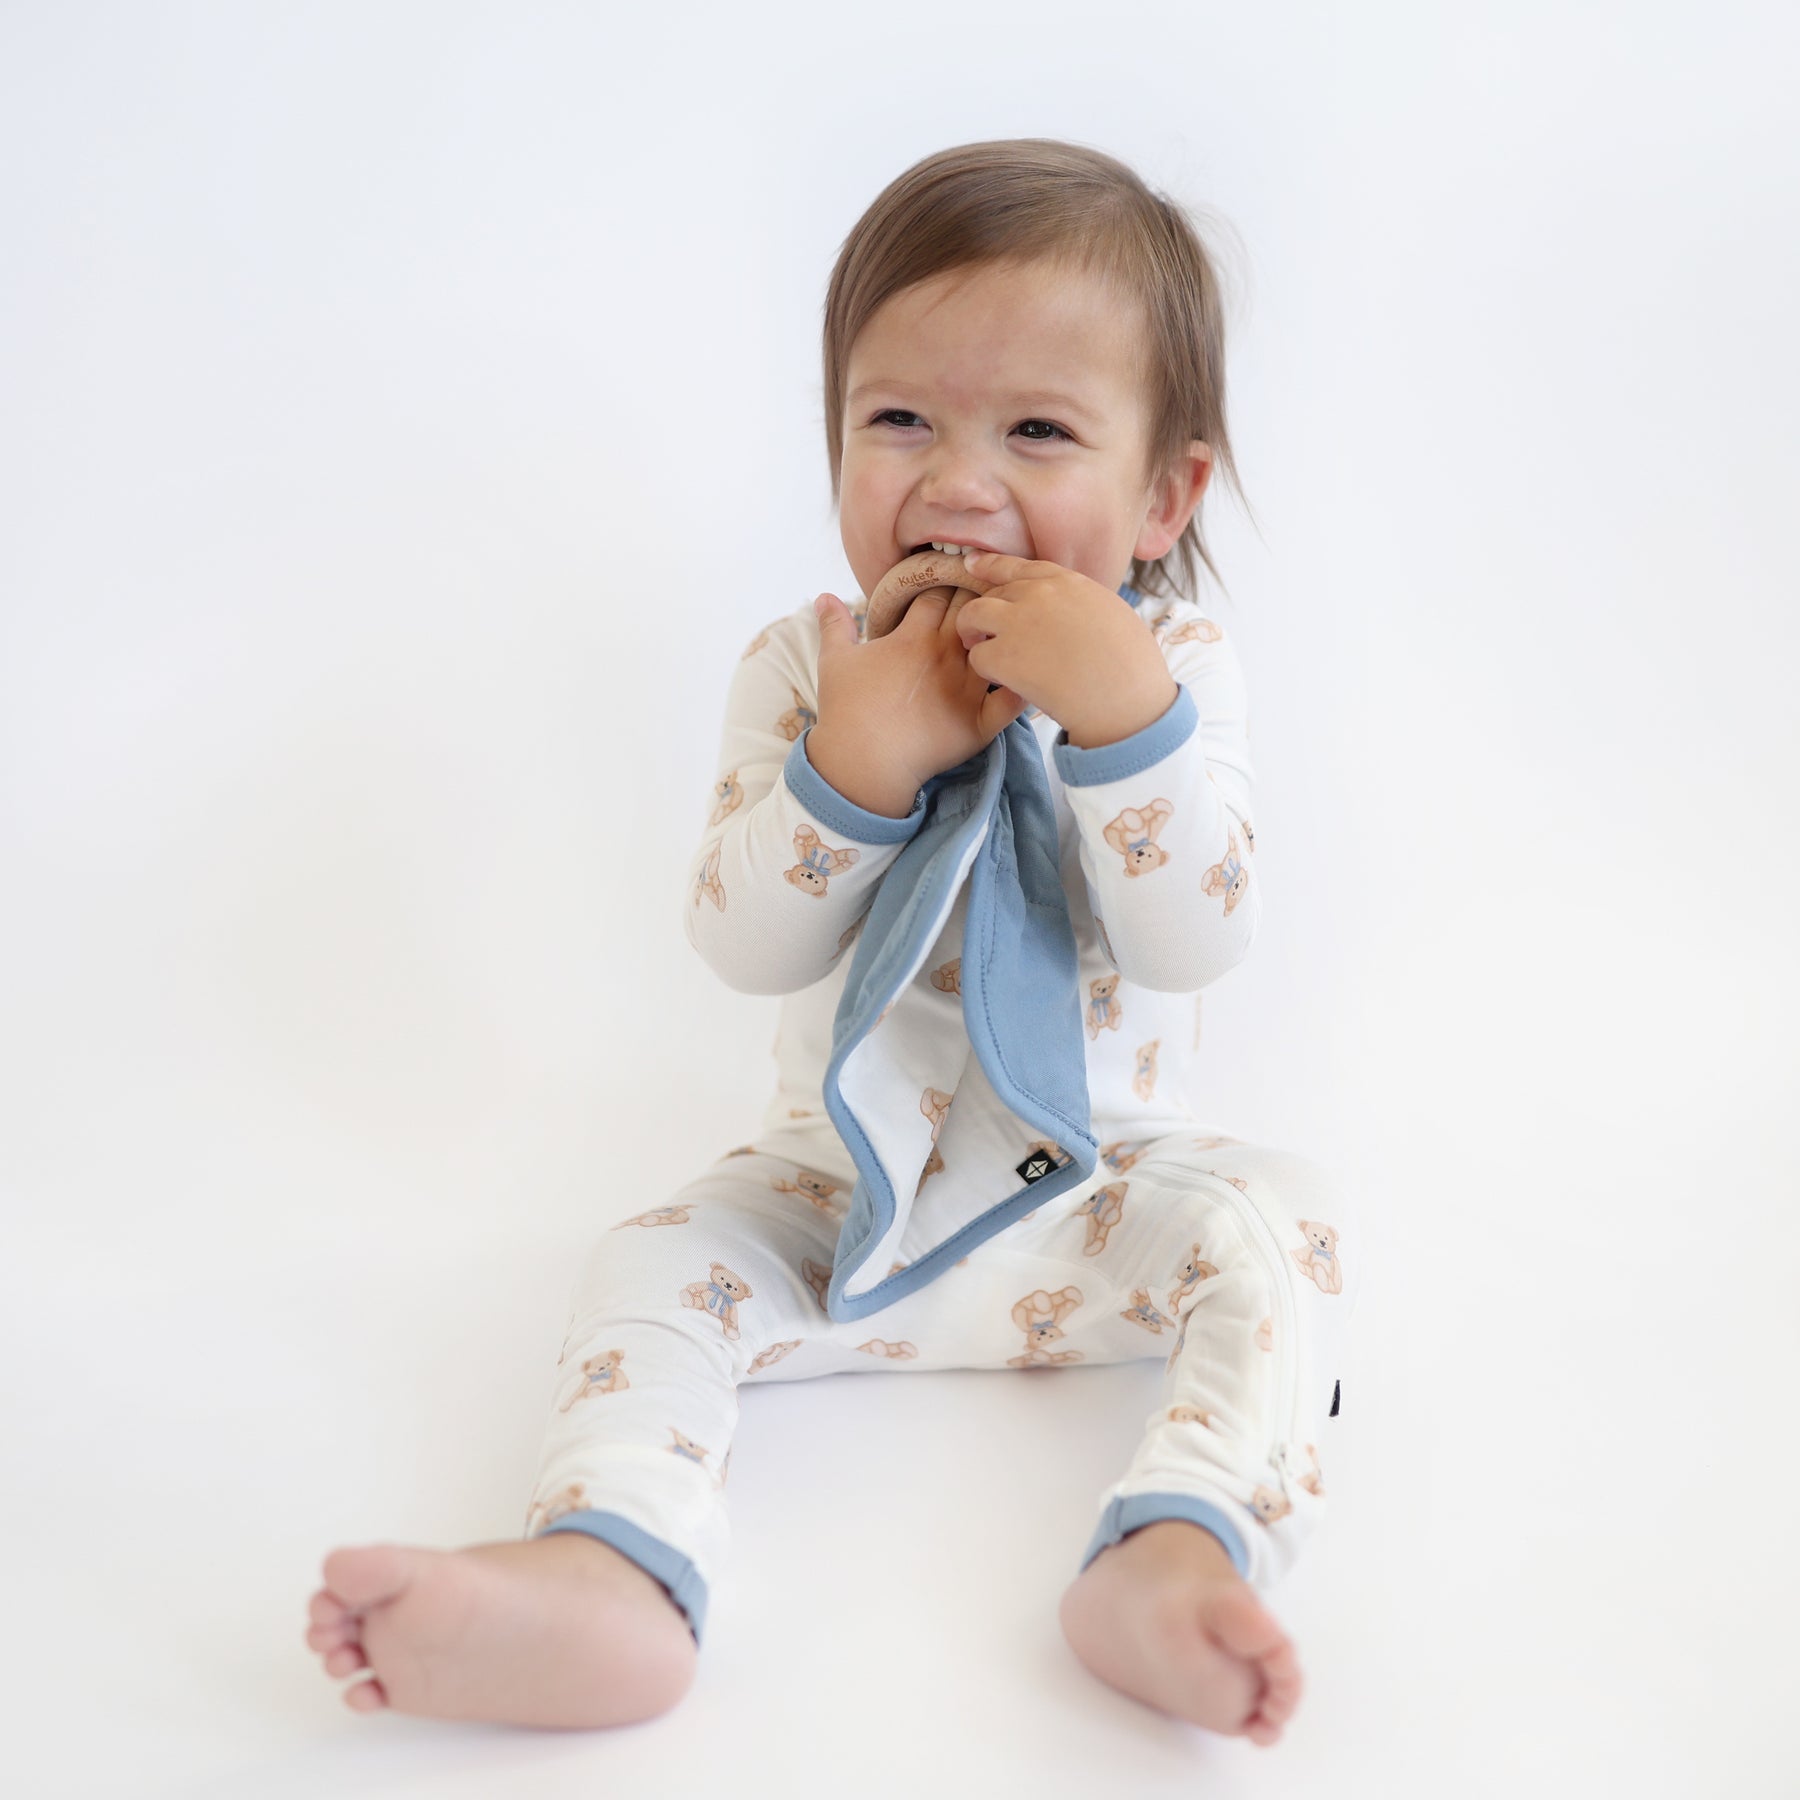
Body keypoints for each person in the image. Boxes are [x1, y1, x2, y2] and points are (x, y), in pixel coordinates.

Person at [305, 137, 1362, 1748]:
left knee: (1288, 1225)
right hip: (842, 1197)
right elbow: (741, 943)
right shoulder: (803, 673)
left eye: (1037, 431)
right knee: (649, 1258)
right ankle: (612, 1569)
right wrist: (857, 764)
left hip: (1100, 1195)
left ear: (1165, 495)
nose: (956, 479)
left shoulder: (1181, 669)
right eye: (900, 421)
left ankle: (1175, 1543)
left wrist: (1126, 723)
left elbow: (1195, 943)